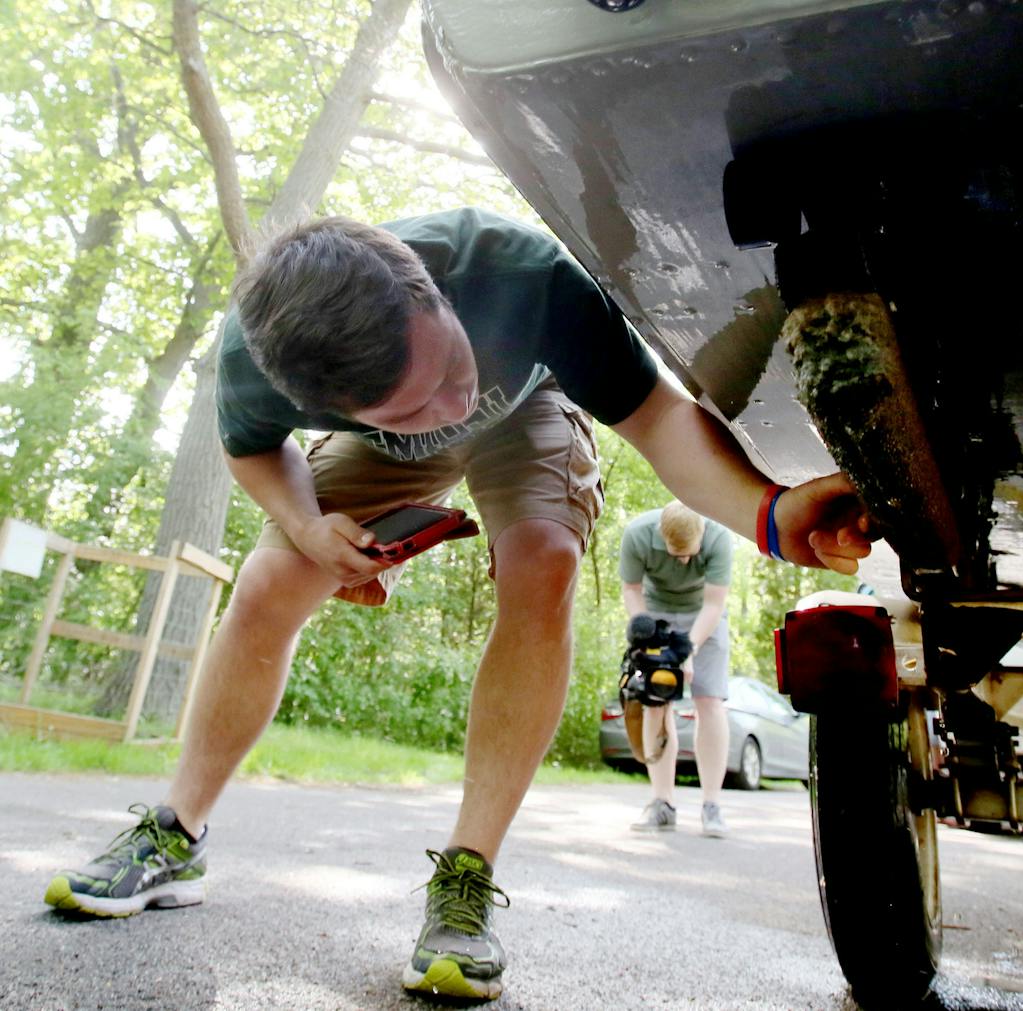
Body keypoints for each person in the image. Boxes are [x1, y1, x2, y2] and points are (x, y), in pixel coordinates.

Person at [40, 207, 871, 1003]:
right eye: (415, 402)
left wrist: (767, 512)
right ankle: (175, 835)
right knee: (269, 579)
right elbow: (253, 450)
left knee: (541, 561)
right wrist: (308, 525)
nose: (449, 408)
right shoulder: (258, 355)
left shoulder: (522, 272)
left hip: (534, 407)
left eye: (447, 368)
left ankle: (465, 878)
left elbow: (658, 420)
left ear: (431, 289)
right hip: (376, 454)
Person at [620, 501, 734, 837]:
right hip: (657, 615)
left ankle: (712, 805)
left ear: (702, 534)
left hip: (705, 616)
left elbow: (715, 603)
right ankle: (662, 803)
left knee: (710, 703)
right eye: (675, 553)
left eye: (689, 553)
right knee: (657, 701)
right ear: (660, 536)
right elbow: (631, 589)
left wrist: (689, 650)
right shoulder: (637, 535)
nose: (683, 561)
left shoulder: (719, 536)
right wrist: (647, 634)